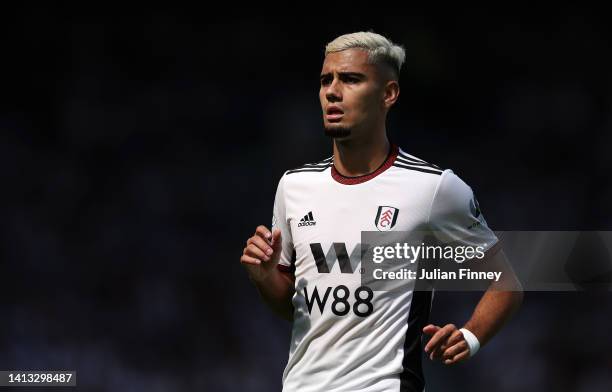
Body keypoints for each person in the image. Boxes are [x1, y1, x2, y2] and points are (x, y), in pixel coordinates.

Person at [240, 31, 523, 392]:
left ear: (388, 94)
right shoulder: (294, 186)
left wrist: (471, 336)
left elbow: (507, 283)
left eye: (351, 79)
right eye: (326, 80)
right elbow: (294, 308)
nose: (333, 91)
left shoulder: (434, 188)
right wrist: (264, 277)